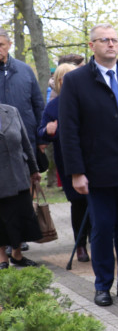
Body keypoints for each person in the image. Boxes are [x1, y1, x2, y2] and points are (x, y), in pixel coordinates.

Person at [59, 24, 118, 307]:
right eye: (104, 40)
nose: (110, 44)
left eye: (114, 40)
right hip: (96, 171)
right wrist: (76, 172)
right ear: (91, 44)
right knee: (102, 228)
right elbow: (69, 130)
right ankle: (102, 285)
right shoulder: (76, 81)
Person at [37, 62, 90, 263]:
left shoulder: (89, 100)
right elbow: (41, 134)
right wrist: (47, 130)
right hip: (69, 162)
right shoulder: (53, 106)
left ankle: (99, 240)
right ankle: (81, 245)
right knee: (78, 204)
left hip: (95, 160)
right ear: (59, 82)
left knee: (98, 203)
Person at [0, 103, 42, 269]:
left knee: (20, 216)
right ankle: (2, 259)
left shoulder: (11, 110)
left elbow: (25, 142)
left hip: (18, 174)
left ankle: (17, 255)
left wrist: (34, 169)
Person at [0, 27, 45, 154]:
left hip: (25, 140)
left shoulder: (25, 70)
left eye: (1, 45)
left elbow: (38, 105)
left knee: (28, 174)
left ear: (9, 45)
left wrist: (42, 138)